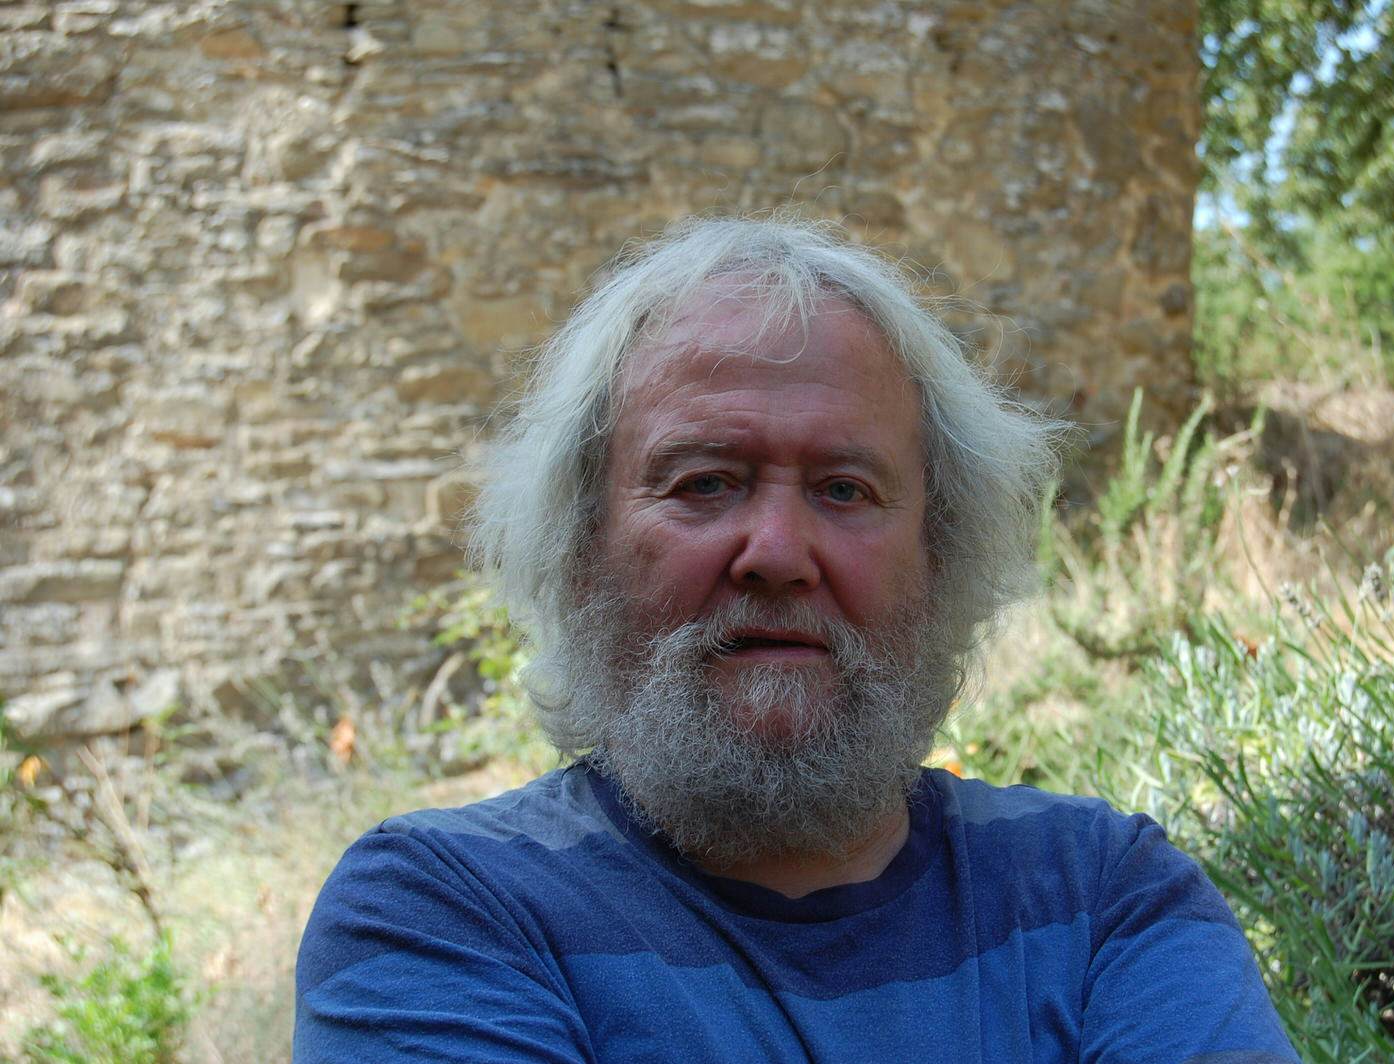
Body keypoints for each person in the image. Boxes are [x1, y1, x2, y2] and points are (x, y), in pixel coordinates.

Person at [294, 216, 1300, 1063]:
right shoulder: (442, 912)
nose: (776, 552)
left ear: (938, 554)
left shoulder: (1103, 899)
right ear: (581, 549)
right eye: (704, 483)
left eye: (844, 490)